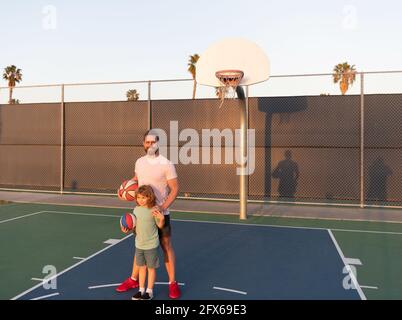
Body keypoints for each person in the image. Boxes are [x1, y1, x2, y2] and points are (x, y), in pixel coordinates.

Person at [116, 129, 181, 299]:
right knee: (140, 246)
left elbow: (175, 189)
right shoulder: (139, 162)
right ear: (143, 144)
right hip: (142, 214)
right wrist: (125, 191)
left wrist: (162, 206)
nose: (150, 145)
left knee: (166, 247)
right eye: (147, 142)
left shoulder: (166, 164)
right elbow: (136, 180)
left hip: (160, 213)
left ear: (158, 144)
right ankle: (133, 279)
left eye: (153, 142)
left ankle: (172, 283)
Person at [131, 185, 165, 300]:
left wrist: (162, 219)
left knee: (151, 268)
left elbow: (160, 226)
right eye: (139, 197)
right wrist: (126, 228)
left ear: (149, 197)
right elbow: (134, 227)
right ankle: (141, 290)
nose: (141, 200)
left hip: (151, 245)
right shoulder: (136, 210)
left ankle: (149, 291)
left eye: (144, 197)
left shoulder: (154, 210)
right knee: (141, 267)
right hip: (139, 244)